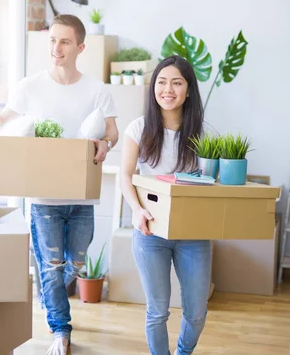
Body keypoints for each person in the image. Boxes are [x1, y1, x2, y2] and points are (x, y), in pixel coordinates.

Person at [0, 14, 119, 355]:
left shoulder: (96, 90)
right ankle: (60, 329)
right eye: (53, 41)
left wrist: (105, 144)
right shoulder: (30, 86)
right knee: (52, 267)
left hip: (82, 198)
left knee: (75, 263)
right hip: (43, 199)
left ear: (80, 47)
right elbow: (7, 116)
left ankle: (47, 293)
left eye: (65, 42)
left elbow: (112, 131)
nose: (56, 48)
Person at [119, 55, 212, 355]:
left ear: (188, 90)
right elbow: (125, 174)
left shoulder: (202, 133)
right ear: (153, 87)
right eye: (161, 82)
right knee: (157, 310)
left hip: (192, 234)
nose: (167, 89)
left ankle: (183, 352)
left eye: (176, 82)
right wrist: (136, 209)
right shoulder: (139, 128)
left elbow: (209, 184)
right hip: (150, 232)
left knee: (197, 312)